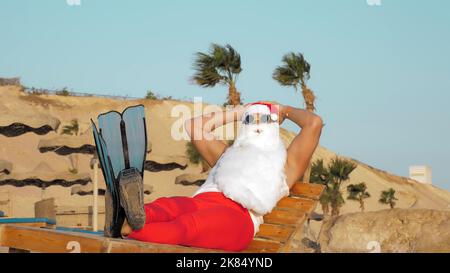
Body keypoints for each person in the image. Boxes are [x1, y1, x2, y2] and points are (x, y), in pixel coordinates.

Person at [122, 102, 323, 252]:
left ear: (275, 126)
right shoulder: (226, 154)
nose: (258, 125)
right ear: (243, 126)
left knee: (188, 226)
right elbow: (193, 126)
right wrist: (238, 112)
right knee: (167, 207)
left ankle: (126, 229)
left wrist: (283, 110)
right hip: (202, 200)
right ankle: (128, 220)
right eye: (250, 119)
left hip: (238, 217)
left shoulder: (286, 166)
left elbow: (313, 123)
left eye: (266, 119)